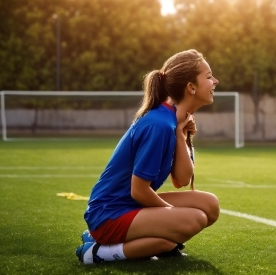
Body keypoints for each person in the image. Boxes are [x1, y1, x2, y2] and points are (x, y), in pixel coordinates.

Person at [76, 49, 220, 264]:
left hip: (130, 205)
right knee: (192, 220)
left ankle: (155, 239)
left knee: (210, 205)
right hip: (109, 214)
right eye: (208, 77)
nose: (215, 81)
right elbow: (139, 189)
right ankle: (97, 252)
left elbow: (181, 179)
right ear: (191, 87)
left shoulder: (172, 120)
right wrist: (173, 217)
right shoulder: (159, 124)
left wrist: (181, 134)